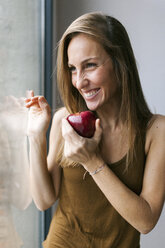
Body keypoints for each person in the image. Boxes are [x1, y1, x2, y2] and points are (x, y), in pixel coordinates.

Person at [25, 12, 165, 248]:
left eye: (89, 65)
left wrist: (91, 161)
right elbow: (44, 200)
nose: (79, 81)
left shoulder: (156, 131)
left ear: (120, 63)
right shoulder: (65, 120)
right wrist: (36, 136)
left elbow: (146, 221)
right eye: (72, 69)